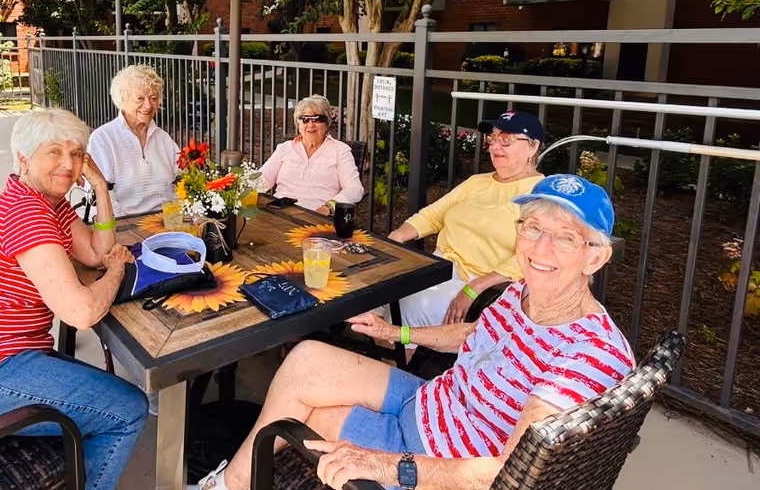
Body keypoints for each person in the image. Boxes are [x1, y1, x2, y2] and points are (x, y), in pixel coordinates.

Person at [191, 175, 634, 490]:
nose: (540, 248)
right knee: (307, 358)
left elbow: (508, 474)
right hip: (430, 402)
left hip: (436, 456)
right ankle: (233, 481)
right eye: (533, 228)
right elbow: (477, 334)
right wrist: (398, 333)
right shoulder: (525, 290)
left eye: (566, 238)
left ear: (596, 257)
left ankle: (227, 485)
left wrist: (388, 466)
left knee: (304, 417)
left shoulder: (586, 354)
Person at [0, 109, 148, 490]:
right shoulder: (26, 215)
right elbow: (82, 312)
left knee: (109, 397)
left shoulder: (47, 204)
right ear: (24, 158)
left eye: (76, 154)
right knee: (127, 409)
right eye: (54, 152)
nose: (68, 164)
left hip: (5, 356)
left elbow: (95, 251)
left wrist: (101, 190)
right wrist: (117, 272)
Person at [388, 111, 544, 328]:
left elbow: (534, 255)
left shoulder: (540, 195)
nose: (494, 146)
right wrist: (393, 240)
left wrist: (476, 287)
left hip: (480, 282)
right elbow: (433, 215)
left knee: (403, 312)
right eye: (493, 138)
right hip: (438, 267)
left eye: (505, 139)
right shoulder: (477, 182)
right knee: (373, 293)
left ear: (533, 147)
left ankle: (390, 359)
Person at [87, 64, 180, 217]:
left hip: (166, 220)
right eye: (140, 98)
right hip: (125, 223)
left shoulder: (163, 139)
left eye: (153, 98)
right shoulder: (103, 139)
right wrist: (127, 225)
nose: (148, 105)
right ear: (122, 100)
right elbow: (103, 195)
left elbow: (181, 181)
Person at [258, 94, 364, 215]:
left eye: (317, 119)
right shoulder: (285, 148)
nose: (310, 125)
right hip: (278, 213)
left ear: (327, 122)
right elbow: (262, 180)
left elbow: (354, 189)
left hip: (316, 216)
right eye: (305, 119)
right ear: (298, 124)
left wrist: (329, 206)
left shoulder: (340, 151)